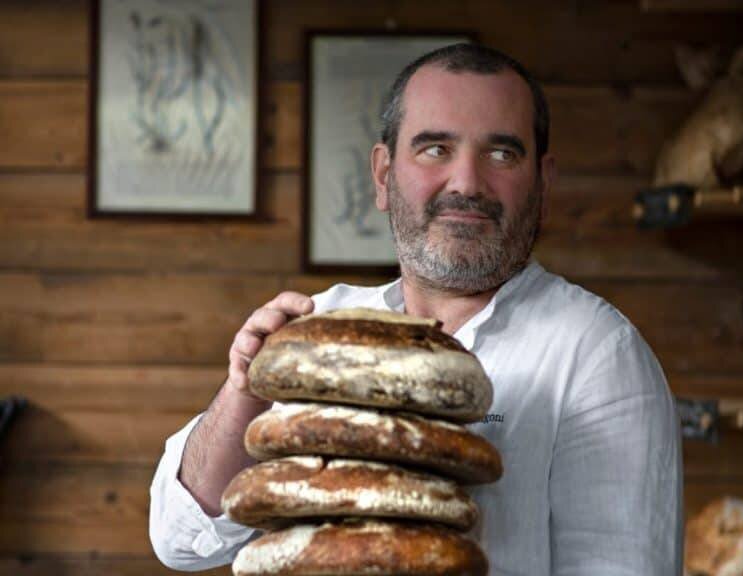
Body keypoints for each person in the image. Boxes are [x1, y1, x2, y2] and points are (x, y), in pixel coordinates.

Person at [149, 43, 683, 575]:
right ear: (383, 175)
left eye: (502, 154)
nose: (467, 183)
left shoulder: (595, 353)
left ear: (543, 185)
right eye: (435, 149)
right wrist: (245, 392)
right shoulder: (319, 328)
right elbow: (180, 541)